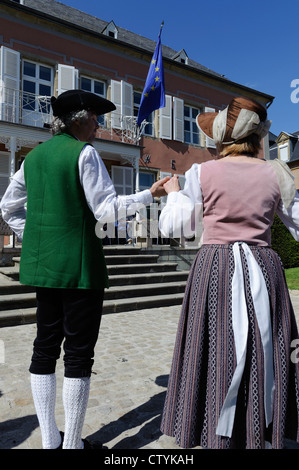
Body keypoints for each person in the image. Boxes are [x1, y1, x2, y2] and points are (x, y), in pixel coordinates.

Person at [0, 89, 168, 449]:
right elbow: (106, 212)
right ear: (80, 119)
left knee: (44, 347)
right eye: (96, 118)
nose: (99, 126)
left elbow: (8, 208)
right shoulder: (85, 154)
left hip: (45, 266)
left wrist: (37, 237)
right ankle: (72, 443)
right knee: (78, 352)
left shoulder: (33, 158)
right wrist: (147, 196)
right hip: (79, 267)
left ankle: (50, 441)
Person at [159, 96, 299, 449]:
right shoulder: (276, 173)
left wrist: (174, 193)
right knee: (267, 347)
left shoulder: (200, 172)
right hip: (264, 266)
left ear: (221, 139)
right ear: (258, 137)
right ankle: (263, 431)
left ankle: (213, 430)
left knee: (215, 348)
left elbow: (177, 227)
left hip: (215, 269)